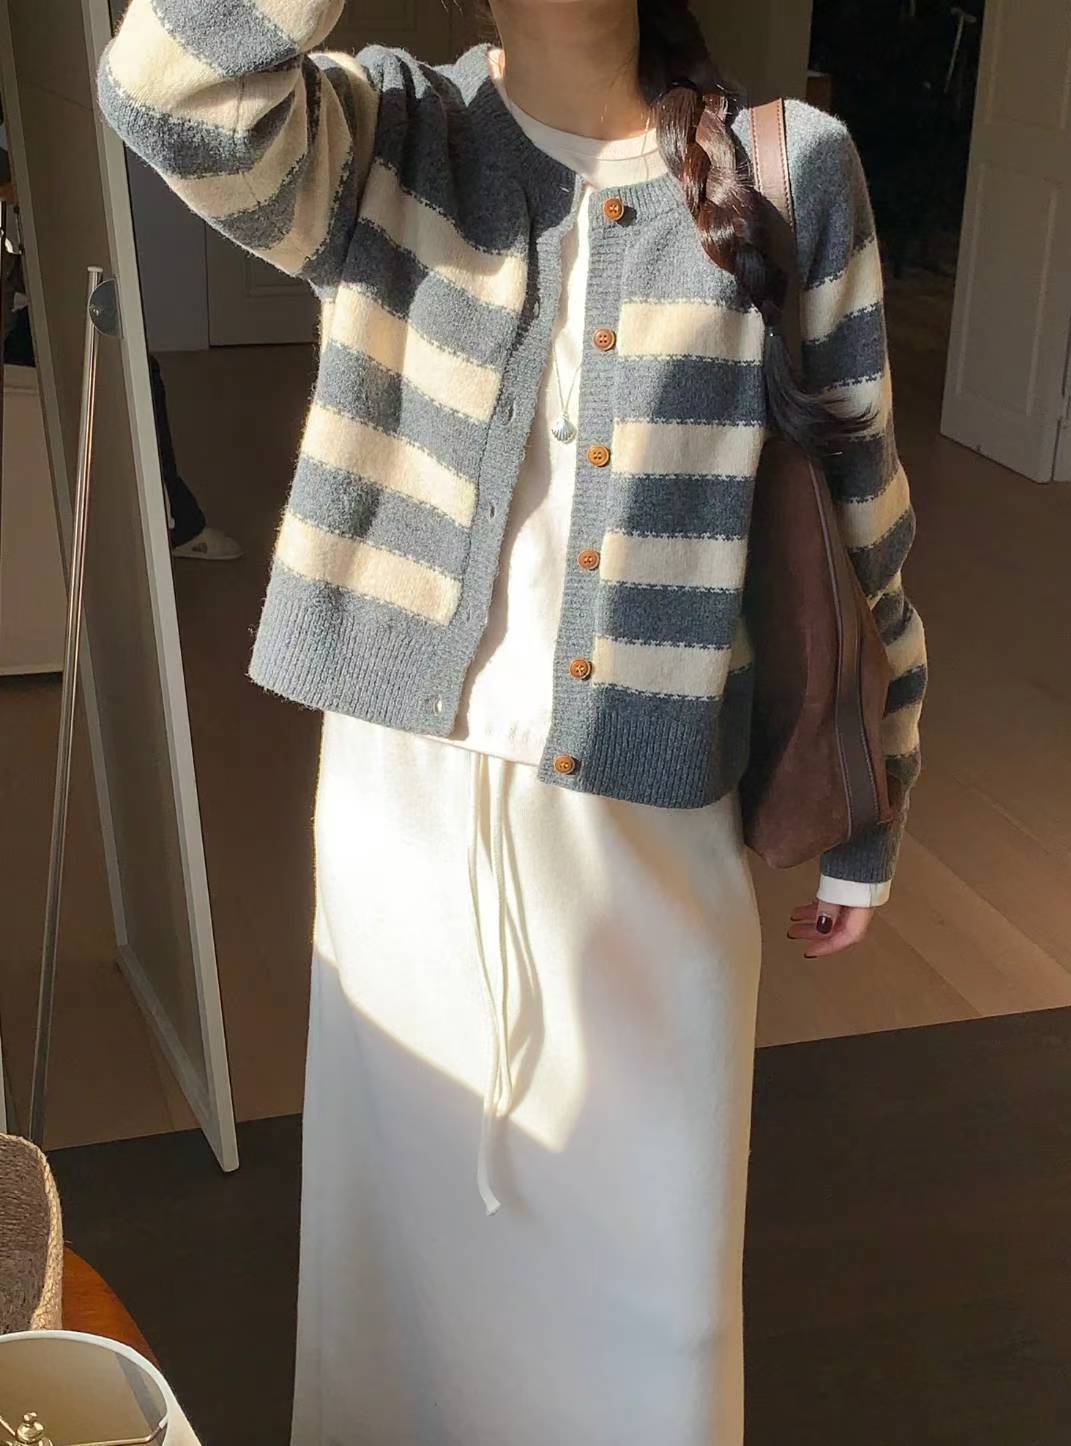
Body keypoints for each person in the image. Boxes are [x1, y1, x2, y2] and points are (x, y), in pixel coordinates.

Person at [98, 2, 927, 1442]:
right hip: (404, 832)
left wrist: (875, 802)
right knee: (402, 1298)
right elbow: (161, 91)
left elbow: (864, 509)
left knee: (653, 1317)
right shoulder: (384, 135)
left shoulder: (796, 169)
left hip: (647, 851)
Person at [0, 106, 240, 560]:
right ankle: (174, 527)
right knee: (128, 377)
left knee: (133, 372)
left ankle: (174, 524)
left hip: (23, 302)